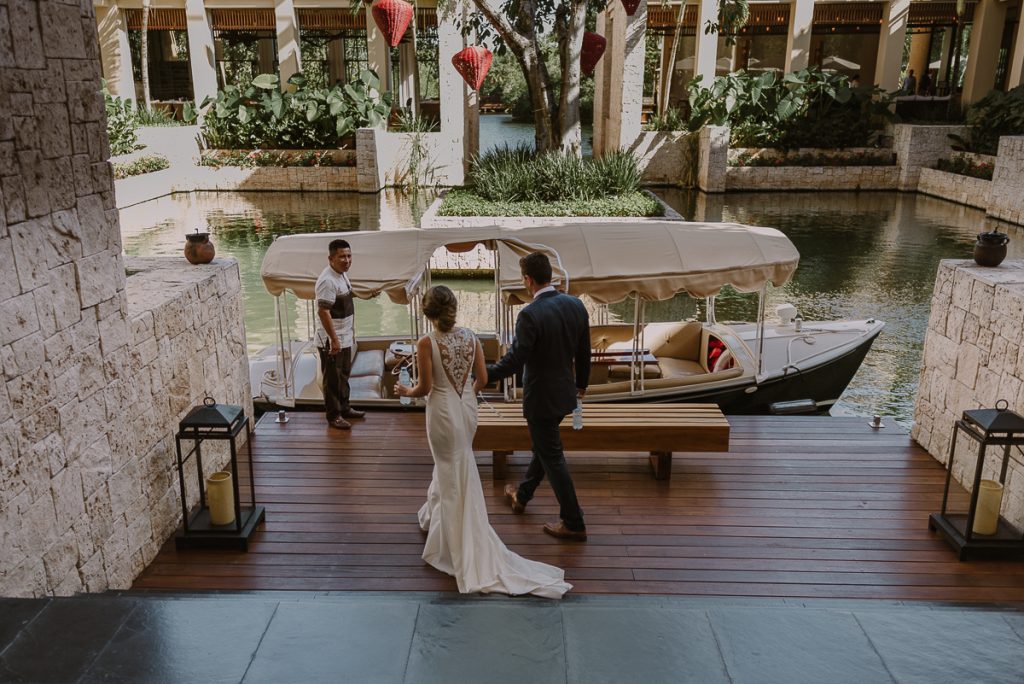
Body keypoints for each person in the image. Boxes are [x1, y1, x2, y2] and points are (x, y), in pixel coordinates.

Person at [395, 286, 571, 598]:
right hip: (465, 408)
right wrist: (465, 393)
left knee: (449, 467)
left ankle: (452, 539)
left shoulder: (426, 342)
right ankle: (434, 516)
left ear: (428, 313)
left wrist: (404, 392)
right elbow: (485, 379)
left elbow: (423, 388)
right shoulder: (472, 337)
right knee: (455, 463)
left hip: (441, 411)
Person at [486, 252, 591, 541]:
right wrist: (582, 383)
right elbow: (584, 351)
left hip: (541, 399)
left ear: (528, 280)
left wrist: (484, 376)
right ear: (550, 275)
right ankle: (522, 495)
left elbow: (515, 361)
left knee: (552, 455)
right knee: (545, 448)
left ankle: (573, 521)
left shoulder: (530, 314)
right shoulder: (575, 304)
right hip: (565, 394)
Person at [315, 238, 365, 430]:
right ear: (331, 259)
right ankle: (334, 416)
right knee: (333, 380)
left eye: (349, 255)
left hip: (344, 337)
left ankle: (344, 408)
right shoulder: (327, 281)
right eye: (341, 256)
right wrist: (334, 340)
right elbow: (323, 311)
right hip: (332, 340)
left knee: (343, 375)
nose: (347, 260)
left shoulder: (341, 274)